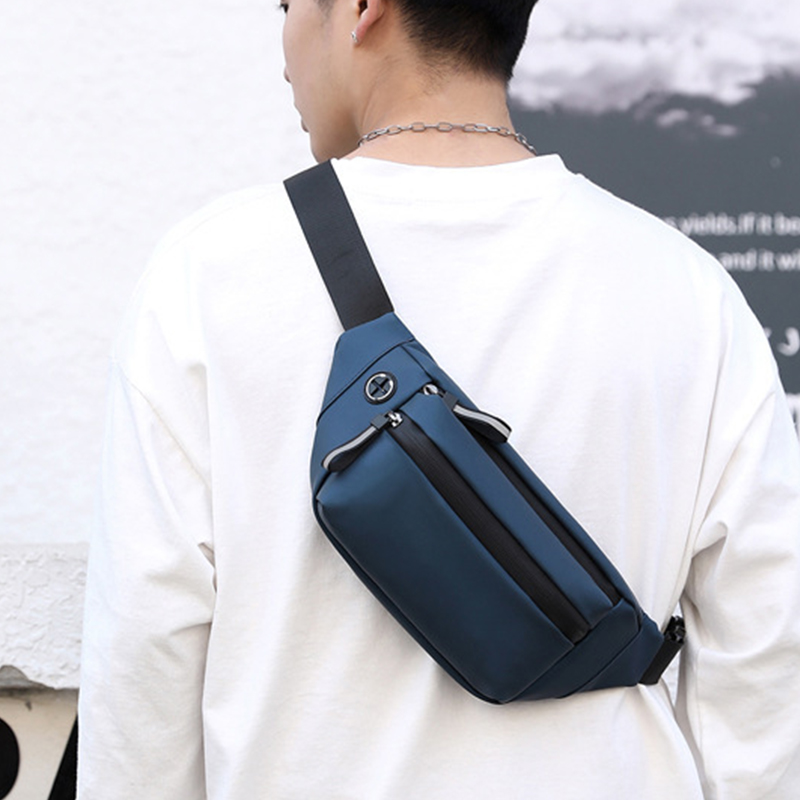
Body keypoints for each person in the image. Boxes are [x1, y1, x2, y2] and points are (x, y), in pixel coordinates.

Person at [77, 0, 800, 797]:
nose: (282, 48)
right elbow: (765, 666)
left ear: (362, 9)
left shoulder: (204, 280)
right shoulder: (688, 292)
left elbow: (144, 664)